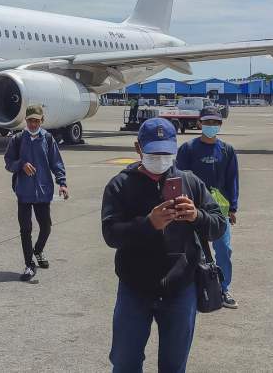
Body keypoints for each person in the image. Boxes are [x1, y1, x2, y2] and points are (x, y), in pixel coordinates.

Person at [102, 117, 226, 373]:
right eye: (153, 153)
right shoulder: (120, 185)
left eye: (166, 153)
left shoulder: (190, 183)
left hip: (181, 288)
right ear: (138, 149)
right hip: (135, 288)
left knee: (173, 365)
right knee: (125, 362)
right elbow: (111, 234)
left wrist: (197, 216)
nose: (161, 158)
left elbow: (219, 225)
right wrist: (148, 224)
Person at [176, 106, 239, 309]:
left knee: (224, 249)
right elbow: (179, 177)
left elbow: (232, 180)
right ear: (199, 123)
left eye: (215, 122)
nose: (211, 126)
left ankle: (223, 288)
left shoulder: (227, 150)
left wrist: (233, 208)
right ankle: (193, 287)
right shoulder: (188, 149)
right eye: (208, 122)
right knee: (193, 249)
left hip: (219, 207)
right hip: (193, 206)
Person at [3, 104, 68, 282]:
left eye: (36, 121)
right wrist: (21, 165)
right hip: (23, 192)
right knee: (25, 229)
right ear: (26, 120)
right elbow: (8, 162)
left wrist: (62, 183)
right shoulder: (17, 139)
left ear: (42, 121)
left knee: (46, 226)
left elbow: (56, 162)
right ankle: (29, 264)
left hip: (43, 191)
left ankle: (38, 250)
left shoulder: (47, 138)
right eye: (30, 120)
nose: (33, 124)